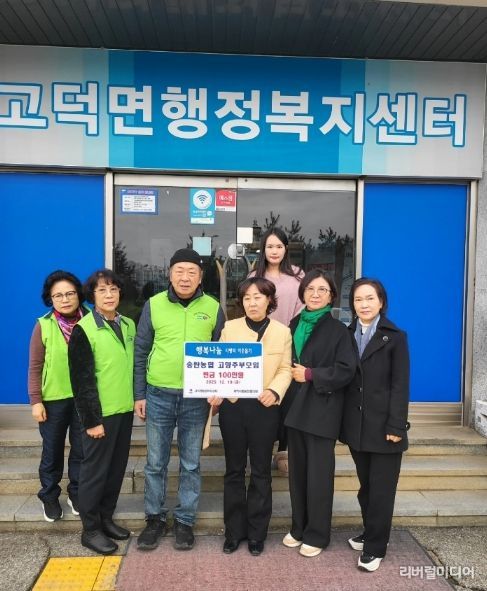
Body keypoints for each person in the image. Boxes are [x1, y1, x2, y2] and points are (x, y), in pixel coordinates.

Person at [134, 248, 225, 552]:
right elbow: (141, 351)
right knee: (155, 462)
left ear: (201, 277)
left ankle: (185, 521)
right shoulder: (153, 305)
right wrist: (139, 394)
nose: (185, 277)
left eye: (192, 272)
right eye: (179, 271)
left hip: (196, 399)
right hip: (158, 394)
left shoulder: (213, 307)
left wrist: (218, 391)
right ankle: (155, 519)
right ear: (169, 273)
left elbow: (220, 353)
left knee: (191, 463)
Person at [208, 277, 292, 556]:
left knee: (260, 471)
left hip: (264, 408)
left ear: (269, 300)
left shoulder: (282, 332)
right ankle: (233, 532)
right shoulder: (230, 328)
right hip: (233, 408)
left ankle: (257, 533)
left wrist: (275, 391)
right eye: (246, 298)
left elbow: (285, 369)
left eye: (258, 297)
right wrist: (215, 390)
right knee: (233, 470)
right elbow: (219, 365)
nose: (252, 303)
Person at [282, 269, 356, 557]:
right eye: (310, 289)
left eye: (322, 290)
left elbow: (346, 370)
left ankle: (317, 534)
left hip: (322, 410)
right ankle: (299, 528)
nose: (315, 294)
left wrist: (311, 374)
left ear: (331, 296)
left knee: (319, 477)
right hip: (295, 408)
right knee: (298, 474)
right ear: (302, 293)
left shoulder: (339, 330)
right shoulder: (294, 324)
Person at [340, 278, 410, 572]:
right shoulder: (347, 334)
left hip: (385, 429)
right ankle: (371, 532)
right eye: (358, 299)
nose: (364, 304)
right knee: (367, 487)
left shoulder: (395, 337)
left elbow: (400, 385)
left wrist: (396, 426)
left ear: (381, 302)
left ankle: (376, 547)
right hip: (357, 428)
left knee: (382, 490)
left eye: (370, 298)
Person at [68, 269, 135, 555]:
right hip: (100, 415)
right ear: (92, 296)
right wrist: (92, 420)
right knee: (94, 473)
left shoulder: (128, 324)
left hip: (124, 410)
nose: (109, 295)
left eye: (113, 289)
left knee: (116, 470)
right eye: (102, 290)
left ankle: (106, 519)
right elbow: (81, 380)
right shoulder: (83, 329)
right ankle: (90, 529)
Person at [28, 270, 88, 522]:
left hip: (84, 399)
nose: (65, 299)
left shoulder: (91, 321)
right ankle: (49, 496)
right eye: (58, 295)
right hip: (53, 399)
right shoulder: (43, 324)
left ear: (78, 295)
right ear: (50, 299)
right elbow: (35, 366)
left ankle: (76, 493)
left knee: (81, 450)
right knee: (52, 451)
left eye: (70, 293)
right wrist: (36, 401)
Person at [250, 227, 304, 475]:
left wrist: (288, 336)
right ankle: (261, 447)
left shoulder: (298, 276)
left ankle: (283, 449)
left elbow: (302, 311)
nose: (274, 251)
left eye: (279, 246)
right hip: (260, 344)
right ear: (263, 249)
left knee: (287, 395)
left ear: (286, 249)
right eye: (270, 246)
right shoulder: (254, 276)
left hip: (289, 341)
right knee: (262, 395)